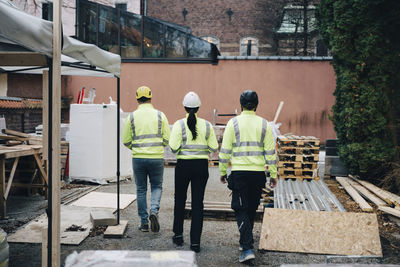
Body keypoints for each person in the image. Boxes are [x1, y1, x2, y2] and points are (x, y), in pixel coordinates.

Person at [219, 90, 277, 263]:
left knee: (240, 208)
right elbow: (270, 152)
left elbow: (225, 151)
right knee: (251, 208)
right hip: (258, 173)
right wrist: (273, 174)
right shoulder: (265, 124)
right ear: (257, 105)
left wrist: (223, 172)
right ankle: (246, 242)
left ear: (241, 104)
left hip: (240, 173)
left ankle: (246, 248)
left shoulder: (233, 123)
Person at [169, 91, 218, 253]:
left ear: (184, 106)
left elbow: (174, 147)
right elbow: (213, 147)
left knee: (180, 200)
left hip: (183, 166)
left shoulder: (178, 125)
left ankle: (178, 236)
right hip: (201, 167)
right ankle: (195, 243)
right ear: (198, 107)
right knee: (198, 203)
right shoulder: (207, 125)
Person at [122, 86, 170, 232]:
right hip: (156, 158)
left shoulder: (131, 117)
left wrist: (137, 148)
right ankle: (154, 210)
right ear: (150, 98)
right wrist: (156, 147)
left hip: (138, 158)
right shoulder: (160, 115)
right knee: (156, 186)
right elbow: (167, 139)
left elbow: (126, 140)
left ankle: (144, 223)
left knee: (141, 189)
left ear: (137, 99)